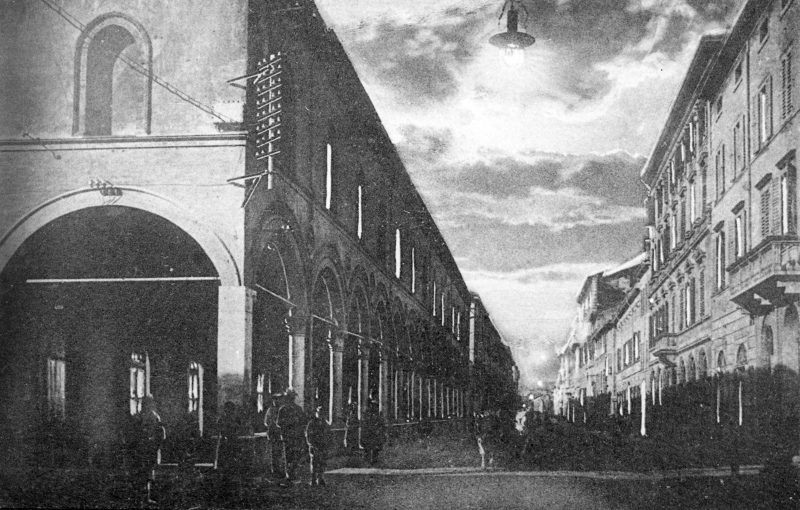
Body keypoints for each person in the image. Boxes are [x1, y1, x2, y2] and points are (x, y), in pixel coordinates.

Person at [128, 396, 165, 506]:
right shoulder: (140, 417)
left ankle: (145, 497)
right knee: (142, 474)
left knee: (147, 474)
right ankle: (141, 497)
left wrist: (156, 444)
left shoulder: (154, 417)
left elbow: (160, 433)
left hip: (149, 449)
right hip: (142, 450)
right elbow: (134, 434)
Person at [276, 388, 307, 483]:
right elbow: (303, 421)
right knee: (294, 455)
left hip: (289, 436)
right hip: (294, 435)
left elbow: (278, 423)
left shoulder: (283, 409)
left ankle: (290, 474)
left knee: (289, 455)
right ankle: (292, 474)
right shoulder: (297, 409)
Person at [305, 404, 330, 486]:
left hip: (323, 446)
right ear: (316, 413)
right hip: (314, 446)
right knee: (314, 463)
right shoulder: (312, 423)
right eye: (319, 413)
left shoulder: (325, 423)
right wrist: (311, 444)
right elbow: (308, 434)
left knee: (322, 462)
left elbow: (328, 435)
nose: (320, 415)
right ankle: (313, 479)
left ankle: (320, 478)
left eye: (322, 413)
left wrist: (328, 444)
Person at [264, 393, 285, 479]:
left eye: (278, 399)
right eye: (275, 399)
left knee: (281, 452)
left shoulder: (282, 409)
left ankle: (281, 470)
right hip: (273, 433)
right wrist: (271, 424)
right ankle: (275, 471)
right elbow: (266, 422)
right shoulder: (270, 410)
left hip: (281, 433)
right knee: (274, 452)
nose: (276, 401)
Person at [360, 398, 386, 465]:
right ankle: (367, 461)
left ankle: (374, 460)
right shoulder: (367, 413)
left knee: (375, 448)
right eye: (372, 405)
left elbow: (381, 424)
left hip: (375, 433)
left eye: (375, 405)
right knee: (367, 448)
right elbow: (364, 423)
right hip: (368, 433)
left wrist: (379, 430)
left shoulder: (378, 414)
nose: (374, 407)